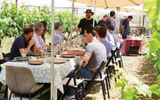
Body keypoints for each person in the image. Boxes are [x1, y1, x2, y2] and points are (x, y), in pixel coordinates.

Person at [66, 25, 107, 99]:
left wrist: (78, 65)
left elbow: (85, 61)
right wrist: (75, 53)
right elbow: (87, 53)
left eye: (85, 35)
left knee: (70, 74)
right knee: (75, 72)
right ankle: (77, 91)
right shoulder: (100, 44)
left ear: (90, 34)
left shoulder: (90, 45)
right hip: (100, 72)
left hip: (92, 74)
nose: (84, 38)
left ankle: (69, 96)